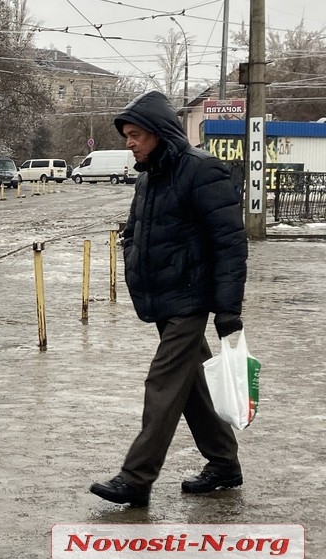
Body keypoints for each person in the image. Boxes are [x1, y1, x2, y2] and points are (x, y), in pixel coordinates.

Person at [89, 91, 248, 508]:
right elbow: (136, 232)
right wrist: (131, 253)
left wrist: (229, 309)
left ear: (160, 133)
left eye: (136, 134)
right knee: (191, 385)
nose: (130, 143)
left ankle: (136, 477)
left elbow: (230, 243)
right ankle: (224, 463)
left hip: (191, 299)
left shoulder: (201, 170)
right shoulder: (148, 177)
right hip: (164, 297)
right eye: (126, 136)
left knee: (162, 382)